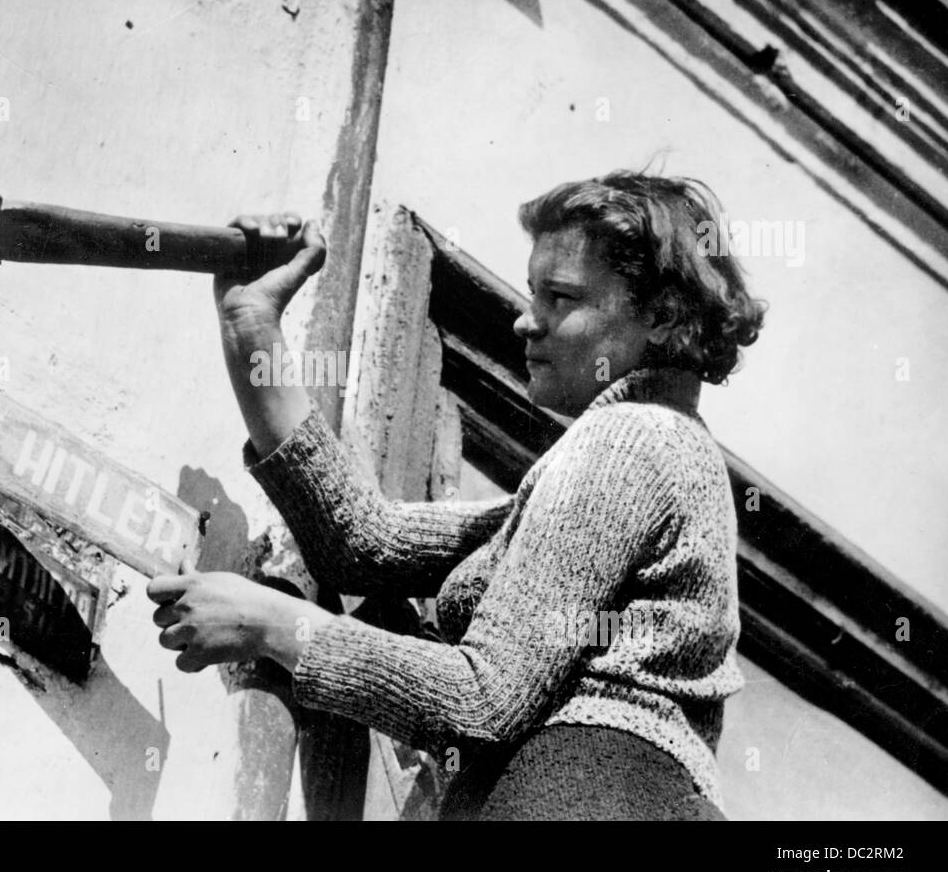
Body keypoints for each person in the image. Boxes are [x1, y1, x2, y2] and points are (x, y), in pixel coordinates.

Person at [147, 170, 766, 820]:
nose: (527, 320)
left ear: (659, 317)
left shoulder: (631, 439)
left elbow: (483, 696)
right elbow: (364, 542)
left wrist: (270, 623)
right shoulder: (653, 452)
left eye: (560, 297)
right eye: (534, 293)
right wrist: (252, 327)